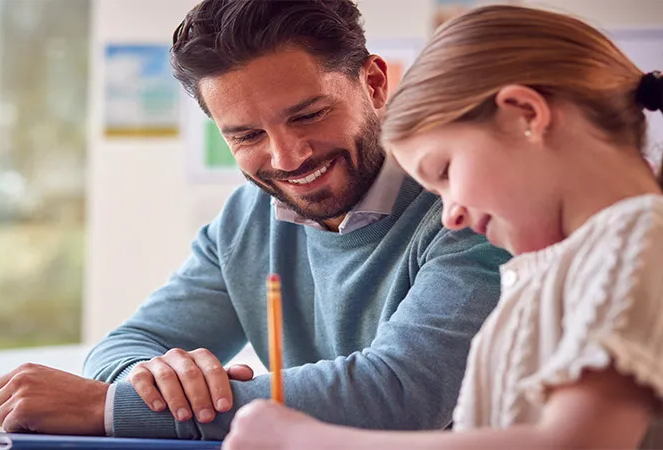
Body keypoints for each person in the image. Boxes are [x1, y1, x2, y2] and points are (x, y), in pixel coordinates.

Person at [0, 0, 509, 439]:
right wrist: (152, 382)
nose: (288, 157)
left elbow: (402, 392)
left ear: (373, 84)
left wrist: (104, 409)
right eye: (246, 136)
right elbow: (130, 341)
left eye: (308, 115)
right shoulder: (246, 218)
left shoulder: (470, 206)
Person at [222, 4, 663, 449]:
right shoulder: (570, 266)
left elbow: (576, 443)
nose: (450, 215)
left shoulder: (636, 239)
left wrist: (306, 439)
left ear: (524, 114)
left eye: (446, 171)